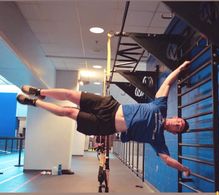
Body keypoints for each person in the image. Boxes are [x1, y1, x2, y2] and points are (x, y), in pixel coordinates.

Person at [17, 60, 191, 176]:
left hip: (105, 125)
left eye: (178, 127)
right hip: (110, 106)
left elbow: (167, 160)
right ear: (176, 117)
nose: (176, 124)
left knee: (68, 112)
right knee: (71, 94)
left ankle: (34, 103)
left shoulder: (158, 139)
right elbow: (167, 82)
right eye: (179, 121)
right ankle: (39, 92)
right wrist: (180, 68)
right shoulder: (161, 107)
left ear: (175, 133)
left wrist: (183, 168)